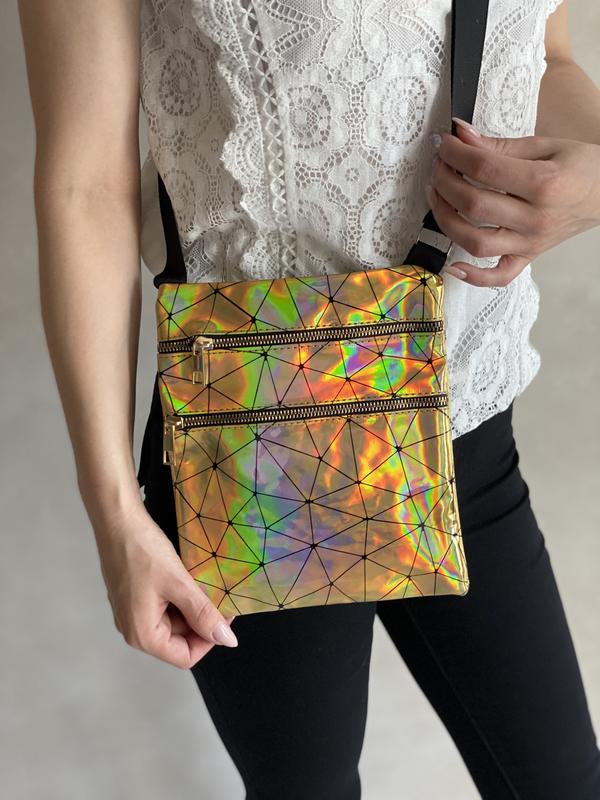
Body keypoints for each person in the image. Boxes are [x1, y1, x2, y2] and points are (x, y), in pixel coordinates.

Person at [18, 0, 600, 797]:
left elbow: (547, 56)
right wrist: (114, 513)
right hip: (254, 450)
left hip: (467, 418)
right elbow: (85, 187)